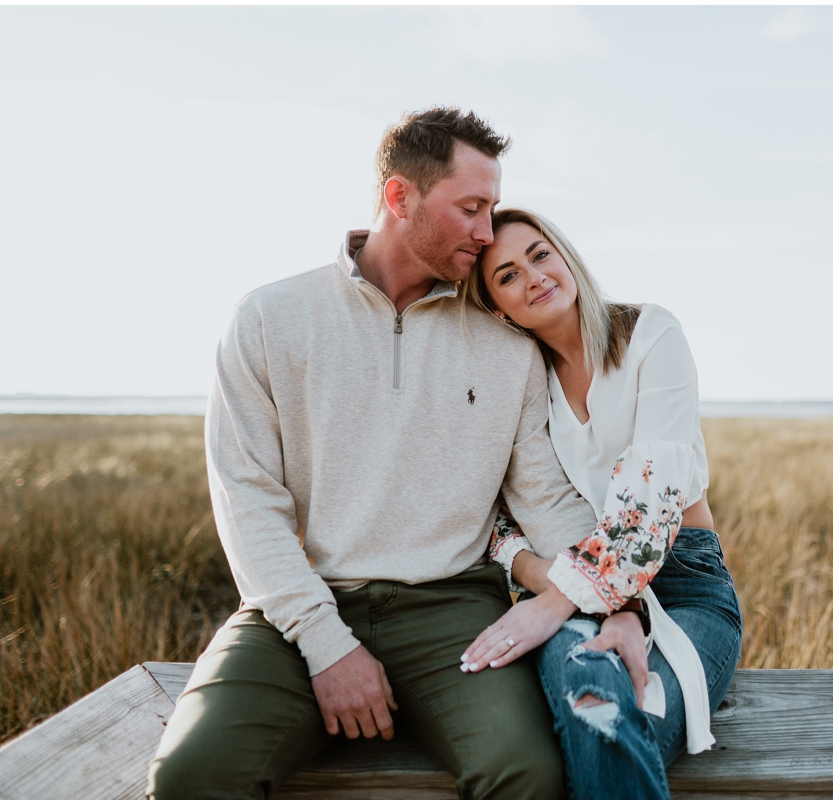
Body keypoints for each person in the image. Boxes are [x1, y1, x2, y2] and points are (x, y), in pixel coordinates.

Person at [146, 108, 603, 798]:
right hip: (298, 604)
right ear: (399, 197)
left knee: (528, 771)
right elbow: (248, 503)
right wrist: (328, 646)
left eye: (493, 210)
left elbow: (546, 500)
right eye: (471, 208)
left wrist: (618, 599)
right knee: (193, 774)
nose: (488, 233)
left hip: (453, 608)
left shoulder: (509, 345)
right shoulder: (270, 318)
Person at [458, 208, 744, 798]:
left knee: (618, 726)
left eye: (539, 255)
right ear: (495, 308)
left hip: (685, 584)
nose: (534, 276)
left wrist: (554, 602)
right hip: (570, 584)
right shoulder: (522, 378)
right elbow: (492, 514)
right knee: (589, 710)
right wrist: (538, 578)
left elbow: (652, 498)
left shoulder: (651, 334)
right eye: (507, 276)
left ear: (564, 254)